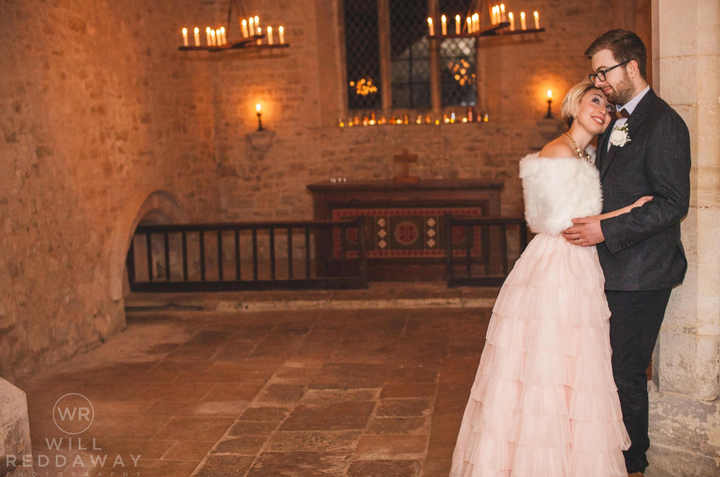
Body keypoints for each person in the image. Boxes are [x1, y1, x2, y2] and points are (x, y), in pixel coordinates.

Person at [450, 80, 649, 477]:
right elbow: (566, 223)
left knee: (577, 366)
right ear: (575, 105)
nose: (602, 111)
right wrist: (629, 211)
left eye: (608, 108)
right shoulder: (557, 151)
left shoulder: (587, 154)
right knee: (549, 363)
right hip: (558, 266)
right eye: (595, 102)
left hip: (580, 266)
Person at [562, 29, 691, 476]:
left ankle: (633, 465)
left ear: (631, 67)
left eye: (604, 71)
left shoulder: (664, 122)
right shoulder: (617, 121)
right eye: (594, 74)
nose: (598, 82)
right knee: (607, 373)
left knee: (626, 374)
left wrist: (606, 229)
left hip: (643, 273)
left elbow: (674, 203)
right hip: (612, 271)